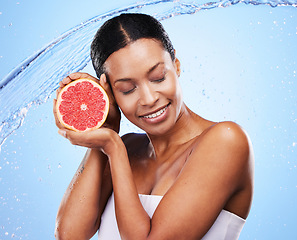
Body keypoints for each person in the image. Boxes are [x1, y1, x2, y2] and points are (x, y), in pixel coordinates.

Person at [53, 13, 254, 240]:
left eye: (158, 77)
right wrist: (105, 132)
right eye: (127, 89)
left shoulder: (226, 141)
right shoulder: (127, 148)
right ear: (110, 94)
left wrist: (113, 148)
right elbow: (70, 235)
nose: (148, 98)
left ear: (176, 66)